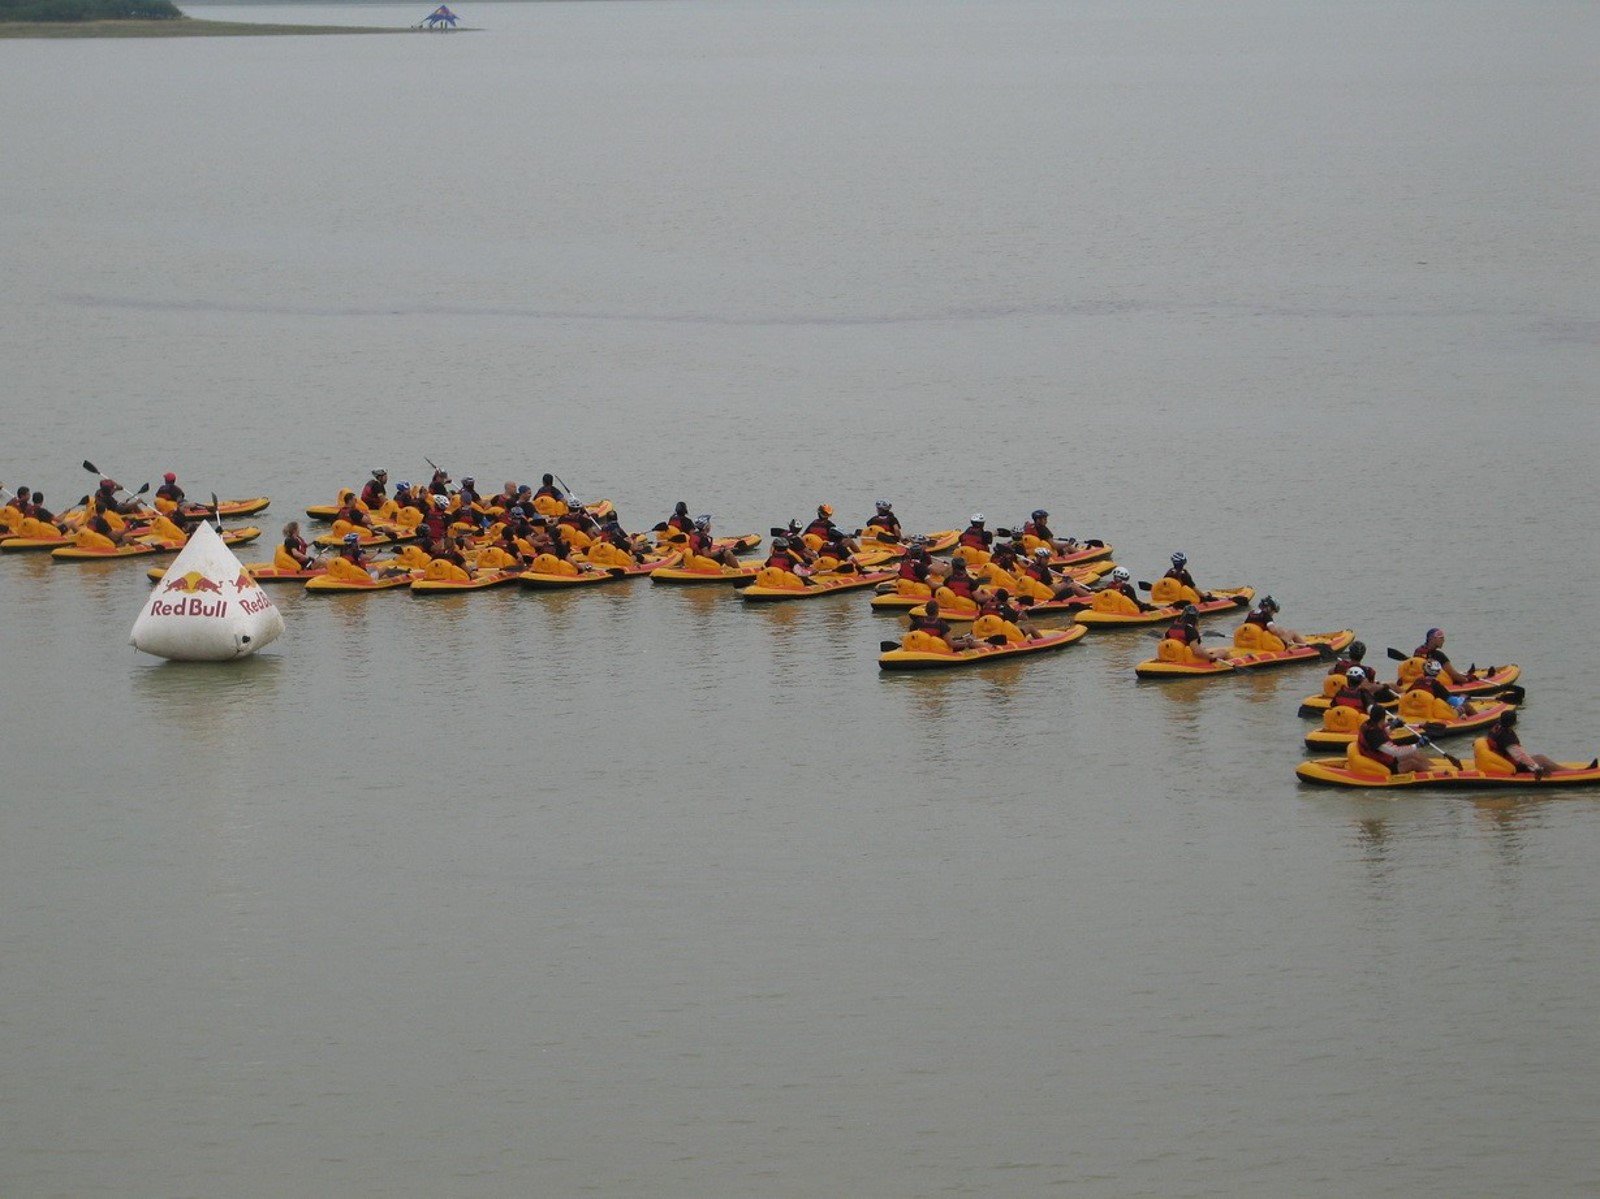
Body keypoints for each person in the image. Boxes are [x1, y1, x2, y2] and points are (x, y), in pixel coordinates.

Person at [1484, 710, 1586, 778]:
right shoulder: (1506, 737)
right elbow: (1519, 756)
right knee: (1543, 761)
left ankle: (1572, 770)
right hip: (1512, 766)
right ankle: (1576, 773)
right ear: (1513, 723)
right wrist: (1536, 767)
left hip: (1504, 760)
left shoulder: (1496, 728)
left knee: (1540, 758)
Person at [1355, 704, 1434, 774]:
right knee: (1413, 763)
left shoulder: (1369, 723)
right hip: (1383, 765)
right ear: (1383, 718)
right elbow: (1395, 752)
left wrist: (1393, 726)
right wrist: (1417, 745)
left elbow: (1382, 734)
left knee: (1414, 753)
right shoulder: (1374, 734)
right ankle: (1432, 774)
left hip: (1385, 758)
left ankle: (1434, 768)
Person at [906, 600, 978, 652]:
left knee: (957, 639)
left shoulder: (918, 621)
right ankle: (967, 639)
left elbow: (911, 635)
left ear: (926, 610)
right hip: (937, 648)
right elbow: (951, 644)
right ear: (937, 611)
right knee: (958, 642)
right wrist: (967, 644)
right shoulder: (941, 624)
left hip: (923, 647)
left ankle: (964, 639)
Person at [1239, 595, 1306, 648]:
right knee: (1292, 632)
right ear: (1270, 609)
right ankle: (1306, 647)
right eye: (1274, 611)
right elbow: (1273, 631)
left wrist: (1280, 632)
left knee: (1280, 629)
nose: (1273, 613)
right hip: (1269, 644)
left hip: (1255, 642)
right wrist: (1280, 636)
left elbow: (1245, 627)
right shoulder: (1266, 616)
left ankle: (1290, 643)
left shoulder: (1251, 613)